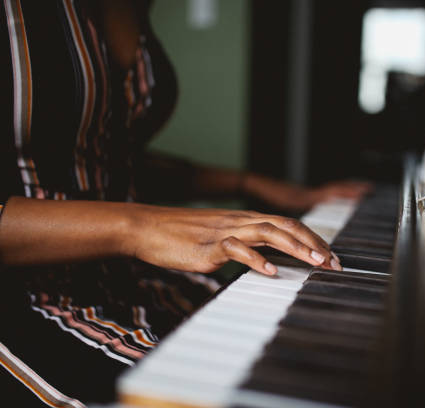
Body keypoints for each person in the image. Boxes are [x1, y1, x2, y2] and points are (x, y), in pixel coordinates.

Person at [0, 0, 370, 405]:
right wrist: (139, 226)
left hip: (128, 280)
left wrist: (263, 187)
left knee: (305, 347)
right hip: (25, 298)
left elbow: (104, 158)